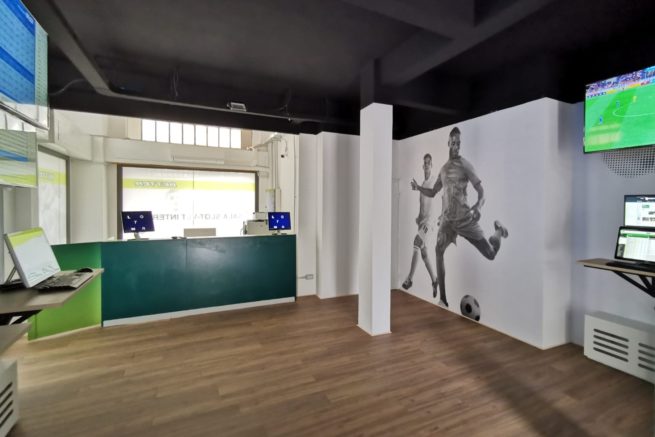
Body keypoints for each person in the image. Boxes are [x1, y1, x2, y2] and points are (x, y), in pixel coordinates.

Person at [411, 127, 508, 308]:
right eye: (453, 142)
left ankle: (498, 230)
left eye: (459, 143)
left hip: (464, 219)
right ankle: (443, 300)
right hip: (447, 221)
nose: (456, 146)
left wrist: (478, 206)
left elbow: (481, 191)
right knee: (438, 251)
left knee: (491, 254)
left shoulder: (465, 165)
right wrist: (418, 188)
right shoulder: (443, 169)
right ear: (448, 142)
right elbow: (433, 192)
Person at [402, 154, 438, 293]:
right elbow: (423, 205)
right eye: (425, 163)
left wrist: (418, 188)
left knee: (416, 242)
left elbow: (432, 193)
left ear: (431, 165)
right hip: (422, 222)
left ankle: (409, 279)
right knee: (424, 254)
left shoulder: (433, 181)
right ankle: (435, 280)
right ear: (423, 166)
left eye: (429, 162)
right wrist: (418, 217)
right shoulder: (422, 184)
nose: (427, 165)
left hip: (430, 223)